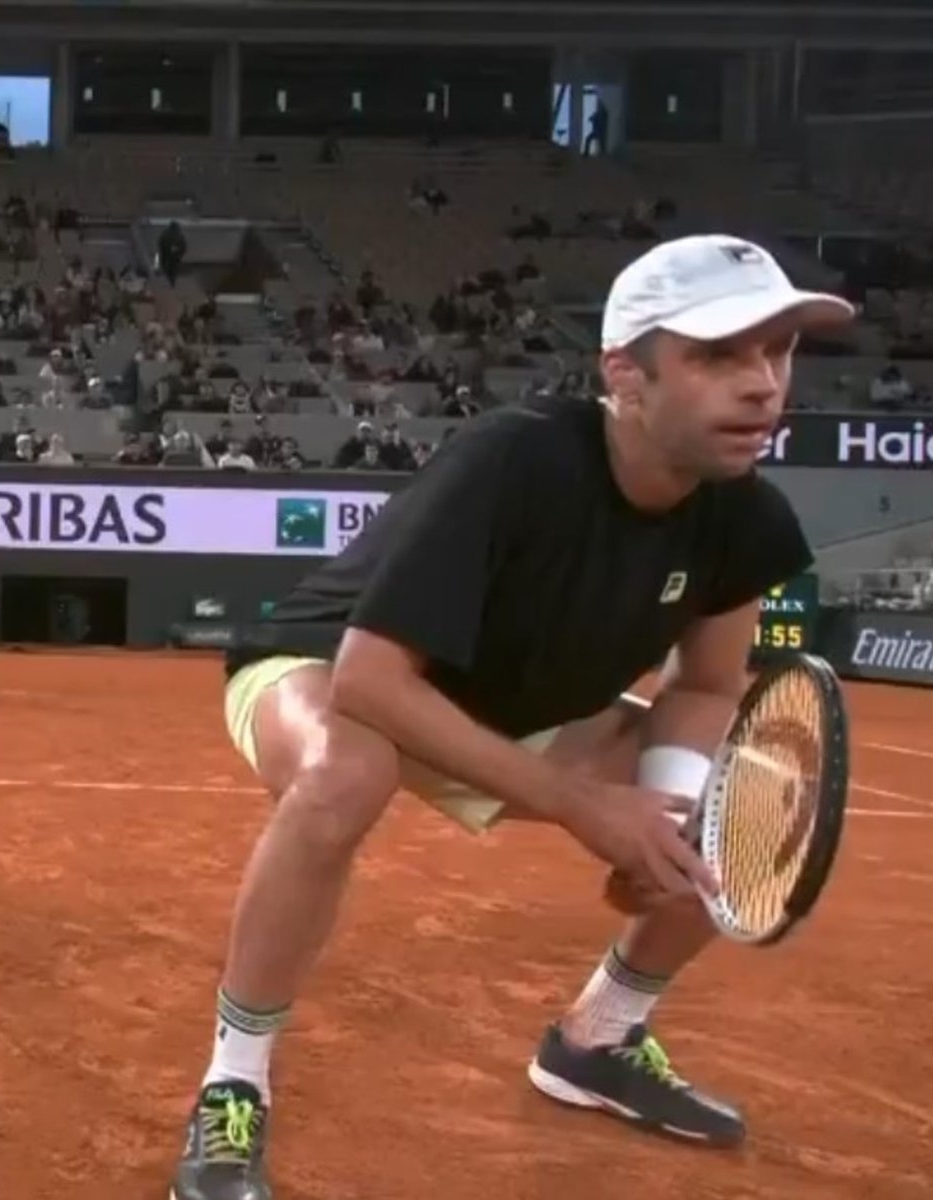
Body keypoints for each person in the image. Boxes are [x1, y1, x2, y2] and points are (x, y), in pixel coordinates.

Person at [169, 234, 856, 1200]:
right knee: (346, 774)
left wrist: (660, 808)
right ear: (627, 373)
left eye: (778, 351)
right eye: (718, 356)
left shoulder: (746, 515)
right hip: (330, 667)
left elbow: (706, 686)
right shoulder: (514, 458)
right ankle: (233, 1085)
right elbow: (370, 682)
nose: (762, 385)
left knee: (742, 805)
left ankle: (600, 1037)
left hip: (516, 708)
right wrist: (581, 806)